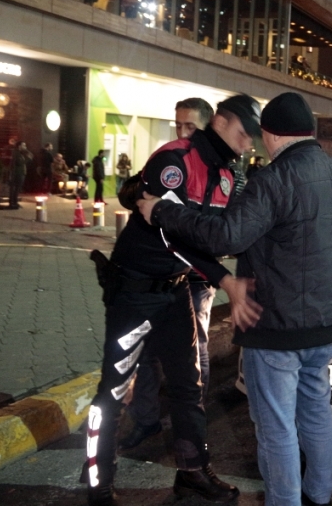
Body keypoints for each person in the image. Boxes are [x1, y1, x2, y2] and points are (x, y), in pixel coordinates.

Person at [137, 92, 332, 506]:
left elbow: (227, 236)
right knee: (316, 410)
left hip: (276, 326)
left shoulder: (273, 180)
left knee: (276, 426)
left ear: (273, 135)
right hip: (328, 323)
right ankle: (319, 495)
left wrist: (163, 212)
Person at [82, 93, 262, 506]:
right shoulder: (174, 159)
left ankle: (193, 473)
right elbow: (171, 233)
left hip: (177, 289)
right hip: (135, 294)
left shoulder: (229, 177)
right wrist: (226, 280)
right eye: (244, 133)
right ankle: (99, 487)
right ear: (222, 121)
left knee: (188, 386)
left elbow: (217, 236)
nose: (249, 143)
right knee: (113, 391)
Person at [118, 98, 219, 452]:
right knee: (145, 349)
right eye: (178, 125)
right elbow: (135, 196)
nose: (182, 132)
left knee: (196, 348)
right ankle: (145, 420)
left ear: (207, 129)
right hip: (161, 271)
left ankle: (192, 419)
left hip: (195, 274)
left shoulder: (218, 169)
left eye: (190, 126)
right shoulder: (168, 158)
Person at [8, 141, 33, 209]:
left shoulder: (20, 153)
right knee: (16, 188)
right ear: (19, 146)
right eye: (24, 145)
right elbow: (20, 162)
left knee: (17, 188)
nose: (25, 147)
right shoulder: (16, 153)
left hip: (21, 173)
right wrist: (28, 158)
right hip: (18, 173)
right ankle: (13, 203)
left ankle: (15, 202)